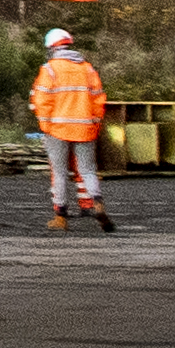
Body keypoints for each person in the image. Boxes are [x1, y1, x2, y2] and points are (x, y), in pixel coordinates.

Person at [28, 28, 115, 230]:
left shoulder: (49, 69)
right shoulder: (87, 69)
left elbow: (41, 101)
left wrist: (46, 125)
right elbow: (98, 98)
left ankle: (60, 217)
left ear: (51, 48)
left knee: (58, 172)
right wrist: (94, 123)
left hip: (57, 129)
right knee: (88, 170)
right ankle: (98, 204)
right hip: (85, 129)